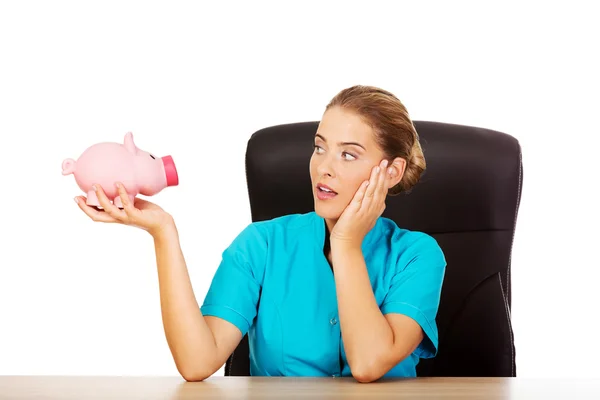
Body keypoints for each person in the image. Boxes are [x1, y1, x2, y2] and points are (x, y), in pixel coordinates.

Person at [75, 85, 446, 383]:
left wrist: (346, 244)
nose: (323, 168)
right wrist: (163, 232)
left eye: (348, 155)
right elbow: (196, 363)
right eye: (319, 148)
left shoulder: (418, 256)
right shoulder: (261, 244)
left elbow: (368, 364)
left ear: (392, 172)